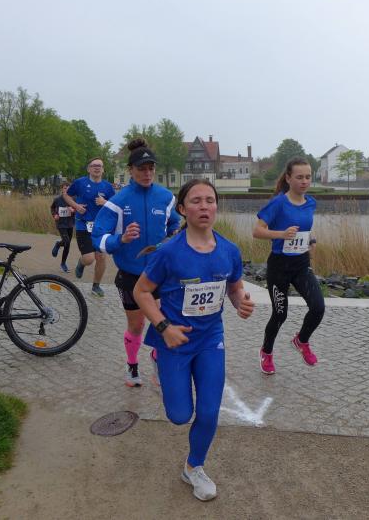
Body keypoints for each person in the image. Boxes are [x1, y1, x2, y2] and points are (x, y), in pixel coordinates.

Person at [133, 179, 254, 501]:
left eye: (210, 200)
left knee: (209, 412)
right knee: (179, 416)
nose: (204, 206)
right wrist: (163, 327)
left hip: (211, 339)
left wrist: (240, 302)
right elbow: (141, 291)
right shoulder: (168, 253)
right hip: (174, 342)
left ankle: (194, 467)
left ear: (216, 207)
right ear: (183, 209)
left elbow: (234, 287)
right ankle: (158, 360)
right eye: (196, 201)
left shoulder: (229, 251)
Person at [92, 138, 181, 387]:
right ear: (130, 170)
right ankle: (132, 366)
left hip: (160, 274)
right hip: (131, 275)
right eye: (141, 169)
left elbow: (174, 223)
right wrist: (120, 239)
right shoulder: (118, 201)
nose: (147, 173)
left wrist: (171, 238)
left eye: (151, 168)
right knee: (137, 324)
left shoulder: (165, 197)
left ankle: (158, 359)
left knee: (161, 320)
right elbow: (98, 238)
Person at [252, 156, 325, 374]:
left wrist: (310, 239)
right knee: (280, 314)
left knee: (318, 307)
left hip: (301, 264)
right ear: (288, 178)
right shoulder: (278, 203)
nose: (304, 181)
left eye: (308, 177)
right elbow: (257, 231)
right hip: (279, 267)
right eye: (299, 177)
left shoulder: (311, 203)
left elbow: (304, 227)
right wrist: (281, 234)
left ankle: (301, 340)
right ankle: (266, 352)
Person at [61, 158, 116, 298]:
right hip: (83, 224)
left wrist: (105, 202)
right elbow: (66, 195)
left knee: (101, 257)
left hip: (101, 227)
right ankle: (81, 262)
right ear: (89, 169)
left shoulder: (108, 187)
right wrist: (76, 206)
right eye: (94, 165)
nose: (97, 168)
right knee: (89, 258)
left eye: (100, 166)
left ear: (103, 169)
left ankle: (96, 286)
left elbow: (115, 205)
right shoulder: (80, 182)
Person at [50, 181, 74, 272]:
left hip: (70, 224)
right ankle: (58, 244)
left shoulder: (73, 199)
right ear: (62, 189)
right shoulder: (57, 199)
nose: (66, 190)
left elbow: (77, 208)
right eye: (65, 188)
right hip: (61, 224)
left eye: (68, 188)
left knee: (67, 244)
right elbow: (52, 208)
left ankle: (63, 263)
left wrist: (73, 210)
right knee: (66, 241)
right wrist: (55, 215)